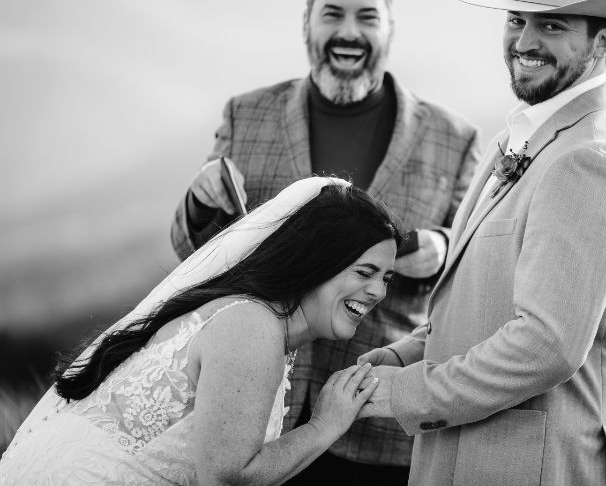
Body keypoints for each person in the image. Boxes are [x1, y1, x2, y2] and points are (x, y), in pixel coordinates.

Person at [358, 0, 606, 485]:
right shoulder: (512, 140)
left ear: (603, 40)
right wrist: (400, 358)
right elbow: (478, 309)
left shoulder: (588, 160)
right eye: (516, 19)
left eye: (552, 25)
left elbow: (545, 345)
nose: (525, 41)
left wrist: (407, 392)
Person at [169, 0, 480, 483]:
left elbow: (471, 264)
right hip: (255, 414)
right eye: (333, 14)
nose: (349, 31)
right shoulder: (246, 115)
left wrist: (444, 248)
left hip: (380, 424)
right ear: (307, 22)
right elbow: (189, 249)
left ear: (390, 27)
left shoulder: (455, 138)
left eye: (367, 16)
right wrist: (200, 204)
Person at [0, 178, 403, 485]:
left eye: (385, 278)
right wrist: (324, 426)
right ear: (316, 261)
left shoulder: (253, 318)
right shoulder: (251, 326)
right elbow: (229, 477)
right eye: (364, 272)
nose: (378, 292)